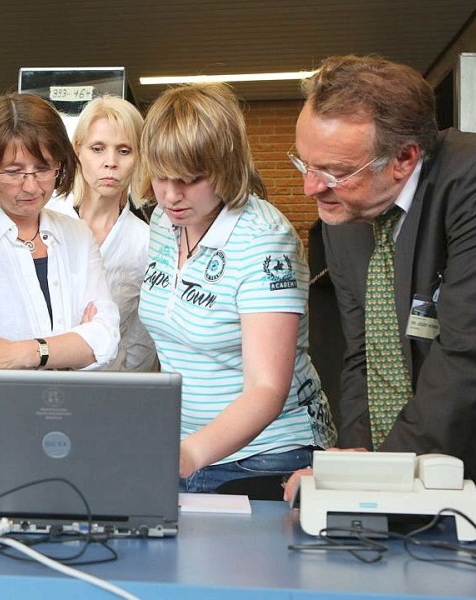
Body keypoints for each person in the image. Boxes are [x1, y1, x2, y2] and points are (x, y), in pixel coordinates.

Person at [284, 54, 476, 503]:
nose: (311, 189)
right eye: (305, 165)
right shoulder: (348, 209)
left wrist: (381, 474)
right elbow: (363, 351)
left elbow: (470, 356)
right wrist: (358, 455)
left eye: (334, 173)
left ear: (403, 158)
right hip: (406, 465)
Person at [138, 83, 335, 494]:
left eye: (190, 179)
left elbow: (267, 388)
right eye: (161, 176)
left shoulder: (263, 240)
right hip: (187, 446)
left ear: (225, 166)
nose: (172, 195)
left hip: (268, 453)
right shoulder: (163, 220)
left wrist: (189, 455)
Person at [0, 93, 119, 370]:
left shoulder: (77, 234)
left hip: (73, 406)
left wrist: (24, 353)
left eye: (44, 168)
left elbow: (104, 339)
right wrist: (71, 346)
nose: (31, 187)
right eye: (13, 172)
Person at [48, 96, 157, 371]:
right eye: (98, 148)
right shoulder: (45, 221)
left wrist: (124, 385)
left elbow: (141, 336)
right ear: (78, 150)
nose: (110, 162)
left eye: (124, 150)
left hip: (110, 388)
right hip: (38, 380)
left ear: (138, 157)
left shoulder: (146, 242)